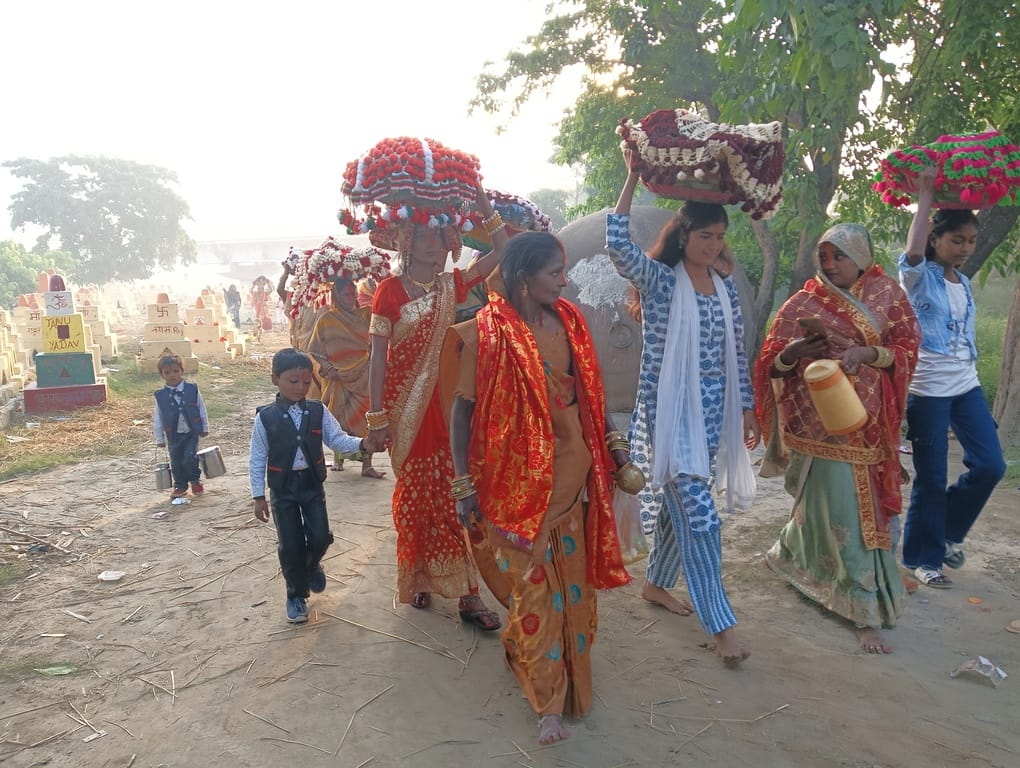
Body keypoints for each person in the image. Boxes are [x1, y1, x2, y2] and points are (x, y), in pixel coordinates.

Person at [448, 232, 631, 745]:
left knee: (573, 587)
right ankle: (547, 701)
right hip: (512, 487)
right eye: (555, 272)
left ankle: (563, 675)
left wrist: (615, 448)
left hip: (572, 477)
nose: (565, 280)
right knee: (534, 593)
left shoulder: (570, 322)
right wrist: (464, 485)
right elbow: (462, 410)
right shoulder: (485, 334)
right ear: (525, 276)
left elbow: (592, 396)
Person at [606, 148, 760, 666]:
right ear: (683, 236)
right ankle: (722, 627)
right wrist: (631, 177)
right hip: (667, 416)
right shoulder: (661, 280)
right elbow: (619, 248)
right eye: (704, 237)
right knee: (701, 517)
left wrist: (748, 409)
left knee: (680, 513)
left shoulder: (724, 290)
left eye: (719, 237)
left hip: (712, 416)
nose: (713, 245)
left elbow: (735, 351)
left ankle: (654, 585)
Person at [756, 223, 920, 653]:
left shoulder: (888, 295)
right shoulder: (805, 301)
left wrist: (868, 353)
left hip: (868, 419)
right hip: (818, 420)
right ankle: (818, 576)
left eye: (839, 256)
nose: (830, 265)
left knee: (856, 508)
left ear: (861, 256)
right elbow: (772, 361)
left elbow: (907, 348)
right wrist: (795, 354)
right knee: (829, 502)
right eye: (824, 256)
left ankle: (853, 596)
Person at [362, 185, 507, 629]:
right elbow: (378, 358)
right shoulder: (387, 292)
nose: (436, 243)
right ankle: (420, 576)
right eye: (424, 236)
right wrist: (376, 419)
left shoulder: (452, 285)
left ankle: (468, 594)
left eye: (441, 235)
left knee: (453, 498)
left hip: (444, 409)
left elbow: (501, 249)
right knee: (412, 503)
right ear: (407, 242)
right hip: (404, 414)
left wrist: (484, 205)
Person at [899, 169, 1006, 588]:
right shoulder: (918, 278)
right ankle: (921, 559)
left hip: (966, 385)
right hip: (927, 390)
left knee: (991, 465)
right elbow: (910, 252)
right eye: (956, 239)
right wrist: (925, 194)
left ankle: (945, 533)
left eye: (971, 241)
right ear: (935, 238)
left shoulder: (961, 281)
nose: (964, 248)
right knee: (931, 476)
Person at [249, 348, 368, 623]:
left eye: (306, 382)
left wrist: (362, 444)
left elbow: (337, 440)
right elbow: (257, 458)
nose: (301, 387)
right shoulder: (265, 418)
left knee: (319, 537)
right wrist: (258, 495)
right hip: (283, 488)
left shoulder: (317, 410)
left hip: (312, 485)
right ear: (274, 379)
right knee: (290, 544)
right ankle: (296, 594)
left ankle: (312, 563)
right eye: (293, 381)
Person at [307, 275, 384, 478]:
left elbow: (379, 333)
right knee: (338, 418)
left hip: (364, 376)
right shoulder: (326, 319)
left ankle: (367, 465)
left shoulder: (366, 315)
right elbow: (314, 349)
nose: (350, 298)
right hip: (337, 378)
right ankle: (339, 458)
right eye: (345, 294)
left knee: (366, 420)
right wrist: (327, 367)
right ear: (336, 296)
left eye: (353, 293)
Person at [153, 353, 209, 500]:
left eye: (176, 371)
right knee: (176, 460)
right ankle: (180, 486)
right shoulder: (160, 396)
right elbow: (158, 418)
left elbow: (201, 408)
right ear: (162, 375)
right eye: (167, 372)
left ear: (182, 371)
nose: (172, 375)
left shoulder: (192, 390)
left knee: (190, 457)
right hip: (173, 435)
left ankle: (195, 481)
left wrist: (204, 427)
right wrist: (159, 438)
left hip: (191, 432)